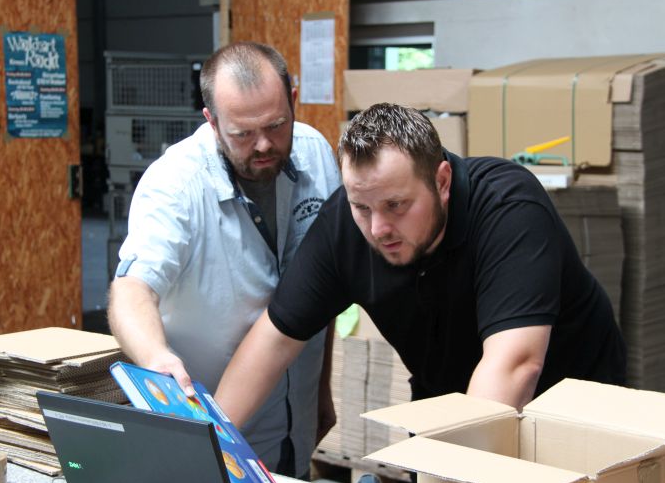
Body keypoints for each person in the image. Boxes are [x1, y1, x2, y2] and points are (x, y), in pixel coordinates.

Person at [209, 102, 626, 432]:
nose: (378, 228)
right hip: (448, 402)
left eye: (397, 205)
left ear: (442, 181)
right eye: (362, 207)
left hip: (568, 407)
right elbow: (274, 339)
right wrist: (213, 443)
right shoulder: (345, 226)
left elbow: (515, 364)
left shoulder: (506, 207)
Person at [107, 42, 342, 479]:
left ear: (293, 102)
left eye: (276, 125)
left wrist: (322, 391)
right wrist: (154, 356)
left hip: (296, 430)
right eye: (243, 134)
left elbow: (324, 290)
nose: (264, 145)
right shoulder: (175, 184)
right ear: (211, 121)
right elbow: (132, 288)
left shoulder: (316, 155)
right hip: (217, 447)